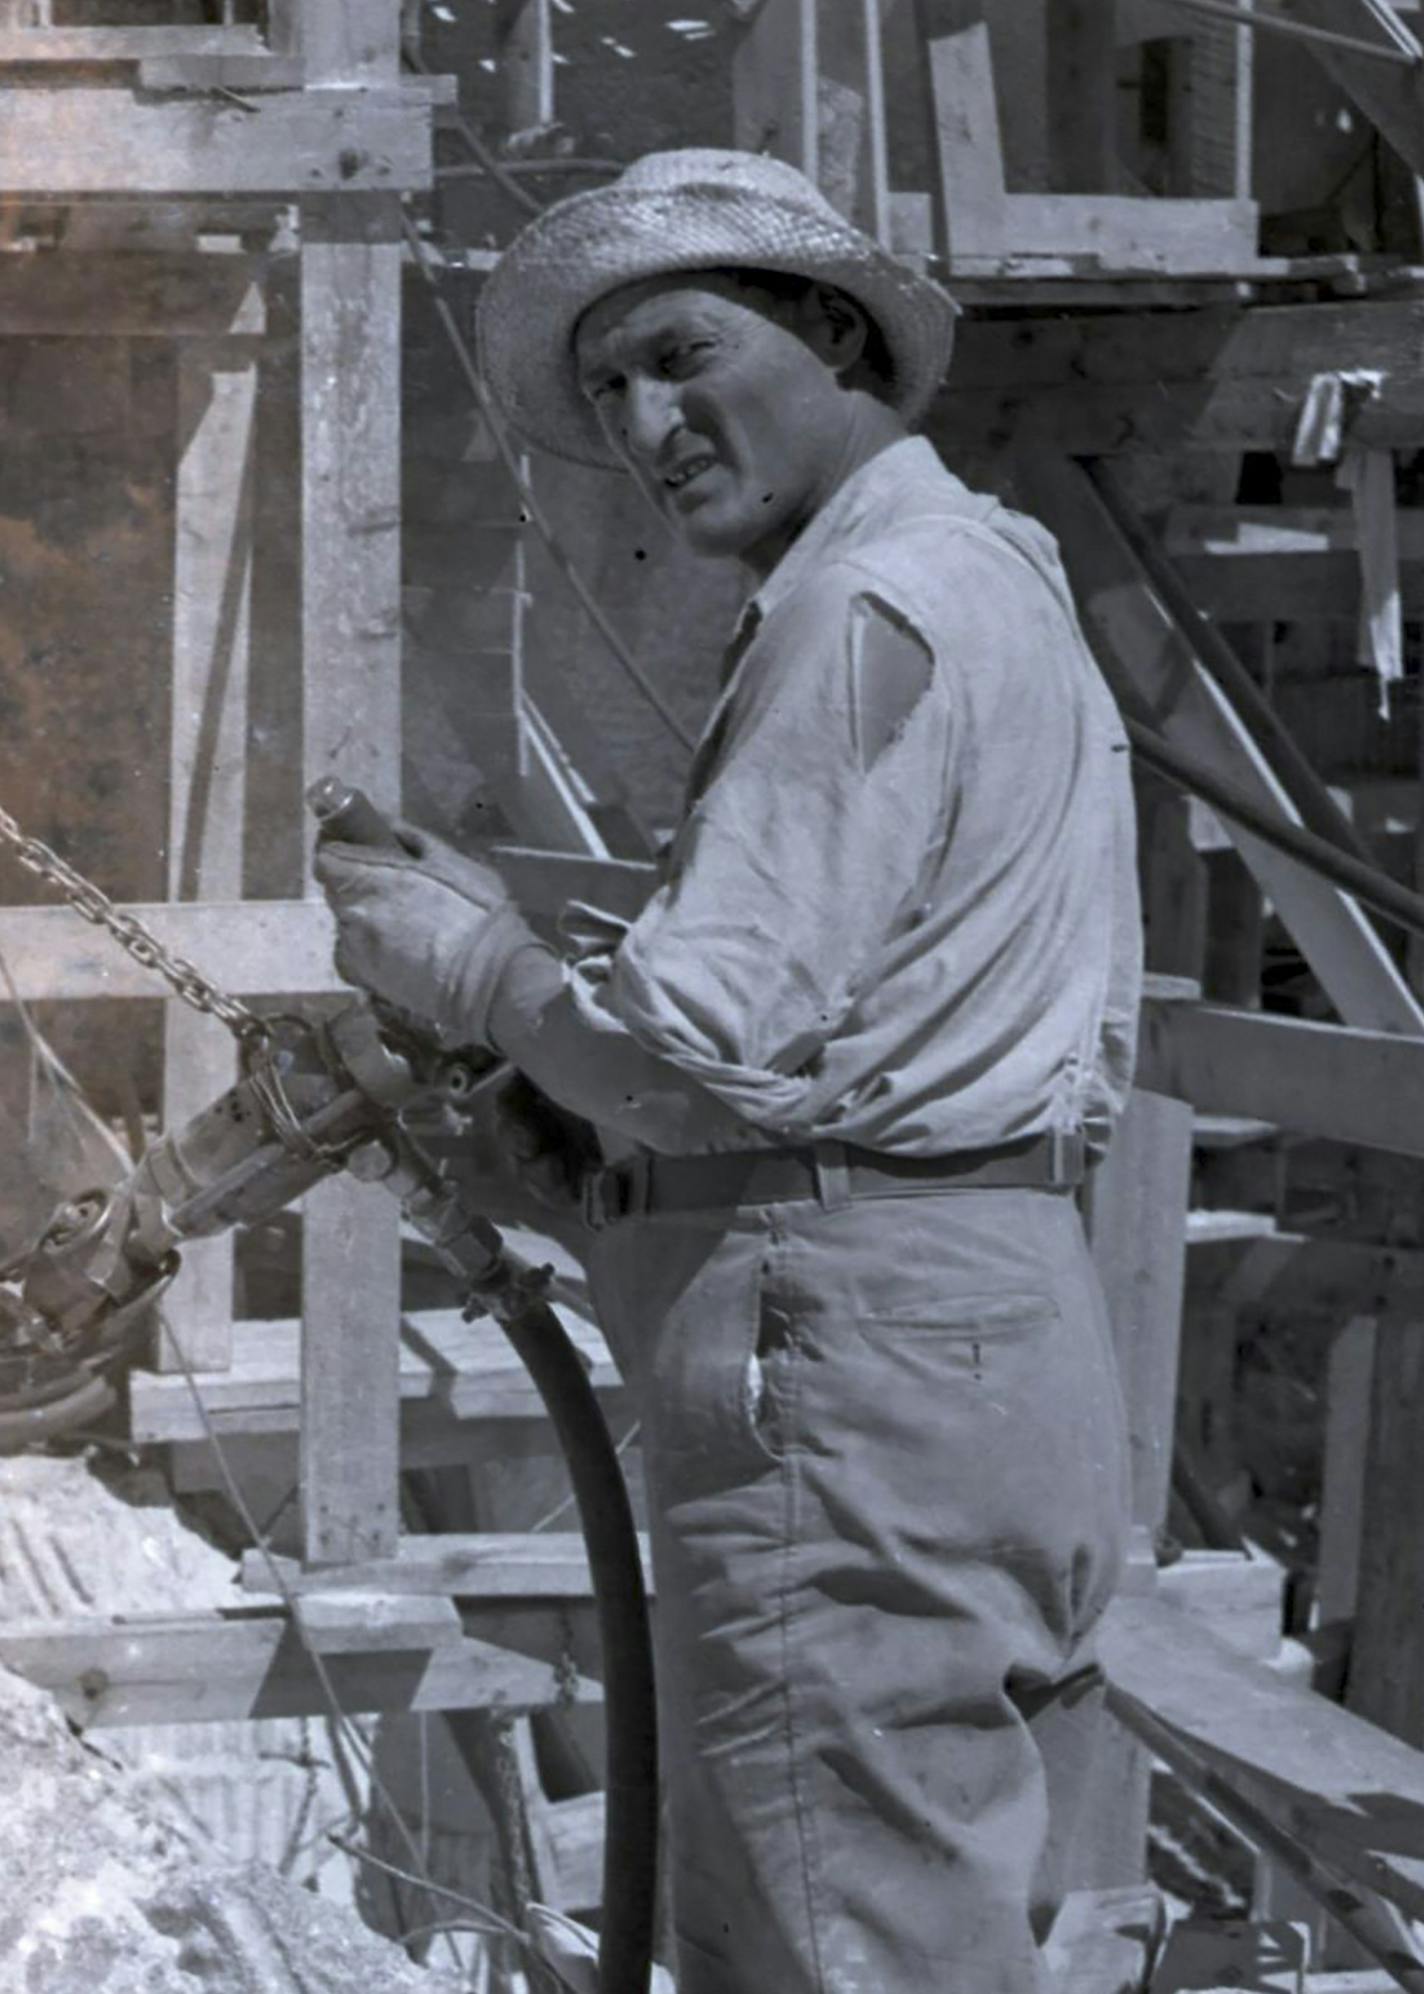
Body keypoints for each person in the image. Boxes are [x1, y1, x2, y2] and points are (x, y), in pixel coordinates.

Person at [316, 148, 1142, 1994]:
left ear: (835, 331)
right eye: (611, 393)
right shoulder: (998, 573)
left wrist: (467, 959)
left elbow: (697, 1047)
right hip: (987, 1324)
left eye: (684, 355)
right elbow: (841, 1056)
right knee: (894, 1922)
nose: (647, 423)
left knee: (837, 1948)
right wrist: (546, 1100)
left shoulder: (866, 607)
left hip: (848, 1367)